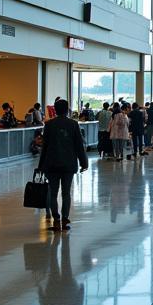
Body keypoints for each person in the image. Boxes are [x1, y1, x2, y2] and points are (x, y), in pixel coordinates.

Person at [39, 98, 89, 233]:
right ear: (67, 110)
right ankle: (65, 219)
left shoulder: (49, 125)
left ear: (55, 109)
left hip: (52, 164)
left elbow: (45, 147)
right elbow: (79, 145)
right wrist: (84, 162)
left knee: (53, 193)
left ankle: (56, 220)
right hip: (68, 164)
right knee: (66, 193)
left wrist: (41, 165)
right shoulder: (73, 124)